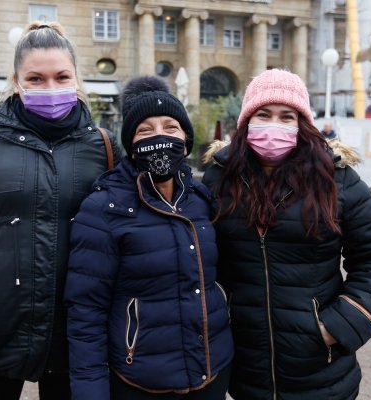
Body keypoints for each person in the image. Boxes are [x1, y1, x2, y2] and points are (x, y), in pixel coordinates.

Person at [0, 22, 121, 400]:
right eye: (36, 77)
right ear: (17, 80)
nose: (50, 88)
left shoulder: (102, 145)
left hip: (74, 324)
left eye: (61, 76)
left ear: (77, 78)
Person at [202, 69, 371, 400]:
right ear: (246, 122)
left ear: (302, 123)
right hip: (245, 365)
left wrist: (343, 323)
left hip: (321, 369)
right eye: (263, 115)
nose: (273, 125)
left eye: (286, 116)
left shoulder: (338, 181)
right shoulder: (217, 181)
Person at [64, 76, 233, 400]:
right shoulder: (103, 207)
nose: (159, 137)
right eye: (145, 130)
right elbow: (86, 313)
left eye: (171, 128)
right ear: (130, 144)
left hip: (211, 373)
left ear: (186, 139)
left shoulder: (201, 199)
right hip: (139, 380)